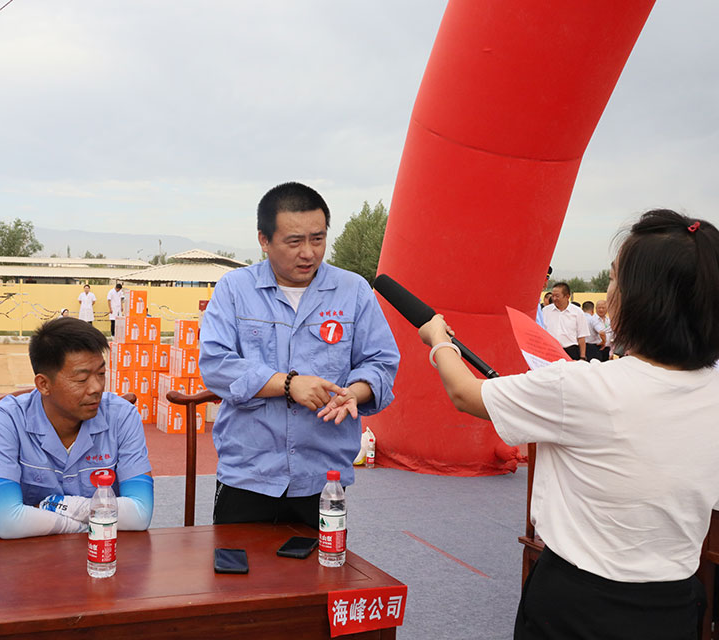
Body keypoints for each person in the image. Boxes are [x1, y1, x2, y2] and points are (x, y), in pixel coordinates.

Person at [418, 209, 719, 638]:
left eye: (614, 278)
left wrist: (438, 339)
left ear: (642, 299)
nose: (609, 291)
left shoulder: (583, 386)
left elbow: (465, 393)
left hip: (578, 605)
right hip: (674, 607)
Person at [199, 181, 400, 528]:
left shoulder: (353, 291)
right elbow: (216, 365)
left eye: (318, 239)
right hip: (248, 476)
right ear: (264, 240)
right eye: (294, 242)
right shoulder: (235, 289)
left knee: (321, 562)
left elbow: (380, 362)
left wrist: (355, 392)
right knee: (238, 563)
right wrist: (289, 384)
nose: (308, 253)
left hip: (323, 477)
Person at [0, 316, 153, 538]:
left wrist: (57, 506)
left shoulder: (122, 416)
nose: (96, 388)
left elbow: (140, 513)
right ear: (44, 384)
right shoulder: (5, 420)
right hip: (25, 555)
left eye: (101, 374)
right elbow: (9, 522)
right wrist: (86, 525)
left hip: (101, 552)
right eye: (81, 379)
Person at [540, 282, 589, 360]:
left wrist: (582, 357)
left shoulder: (577, 312)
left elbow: (581, 337)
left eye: (557, 296)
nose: (554, 299)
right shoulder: (545, 311)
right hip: (550, 351)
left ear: (567, 296)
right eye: (553, 296)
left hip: (570, 351)